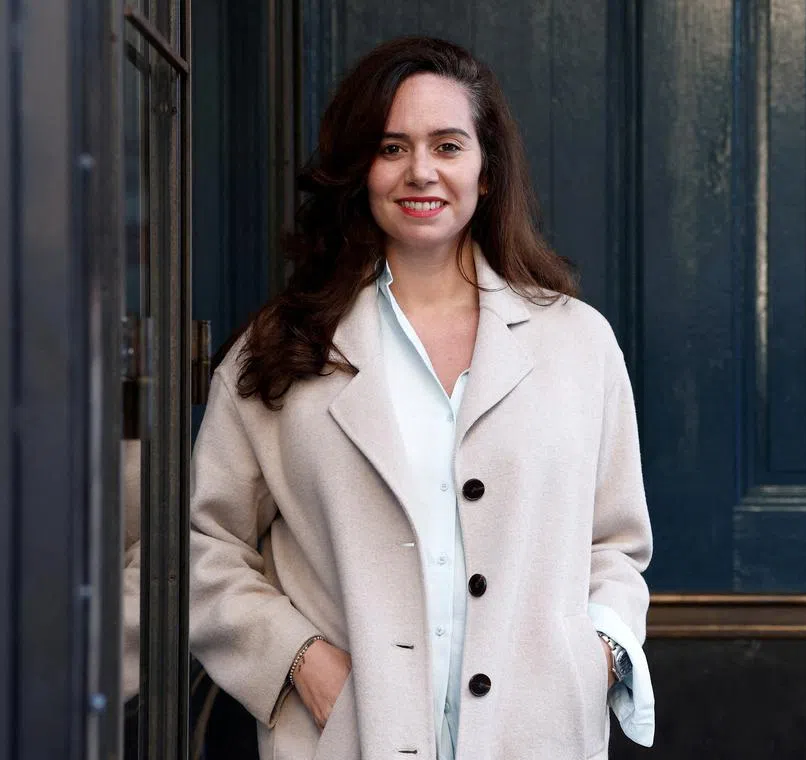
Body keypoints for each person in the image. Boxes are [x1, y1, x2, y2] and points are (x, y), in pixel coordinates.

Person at [188, 36, 654, 760]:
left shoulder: (576, 343)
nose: (421, 172)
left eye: (447, 145)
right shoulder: (284, 348)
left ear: (486, 170)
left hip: (538, 735)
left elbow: (617, 543)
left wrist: (595, 656)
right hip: (347, 736)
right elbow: (205, 546)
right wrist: (298, 659)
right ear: (360, 170)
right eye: (392, 147)